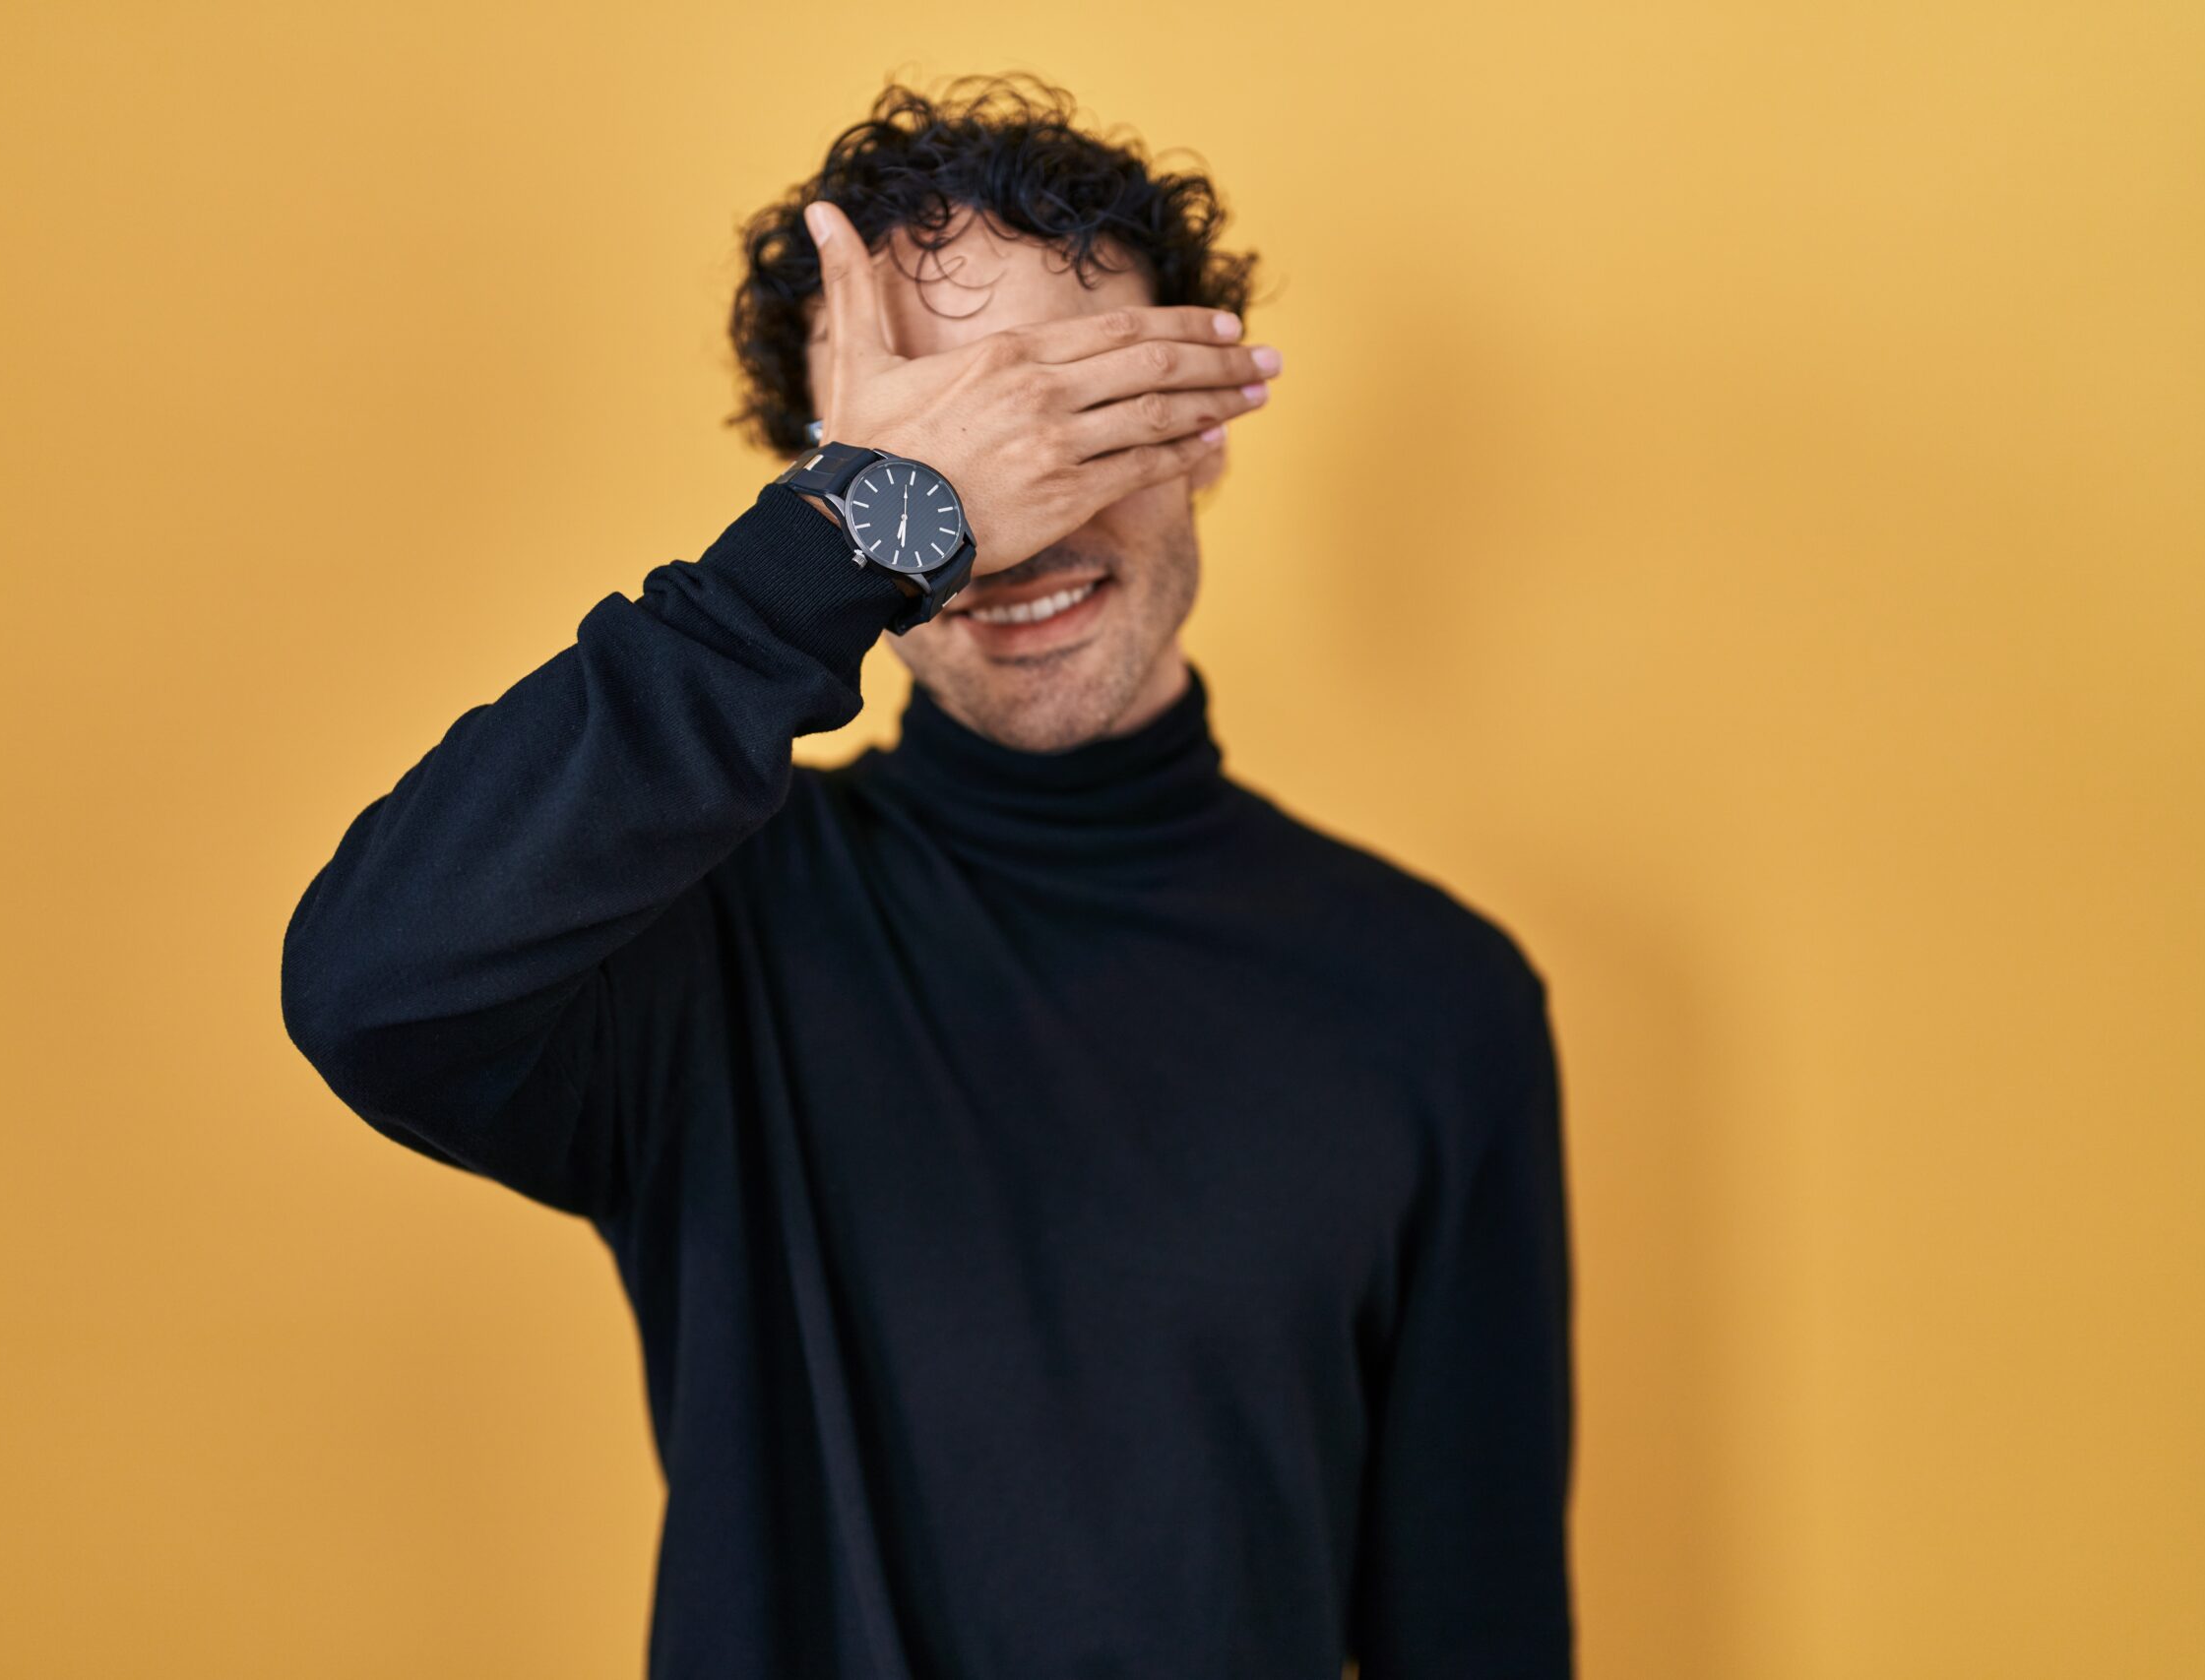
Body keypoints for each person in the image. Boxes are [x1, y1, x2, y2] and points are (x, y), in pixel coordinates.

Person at [281, 73, 1574, 1680]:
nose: (1009, 530)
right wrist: (862, 531)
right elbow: (368, 983)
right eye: (935, 454)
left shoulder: (1436, 1001)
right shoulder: (700, 942)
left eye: (1067, 411)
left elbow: (1478, 1624)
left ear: (1206, 430)